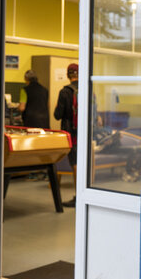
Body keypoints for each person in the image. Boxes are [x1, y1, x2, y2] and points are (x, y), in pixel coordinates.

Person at [54, 63, 79, 207]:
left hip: (71, 133)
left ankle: (77, 197)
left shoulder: (65, 92)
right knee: (84, 163)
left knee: (74, 164)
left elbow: (58, 115)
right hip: (85, 133)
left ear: (68, 75)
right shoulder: (88, 89)